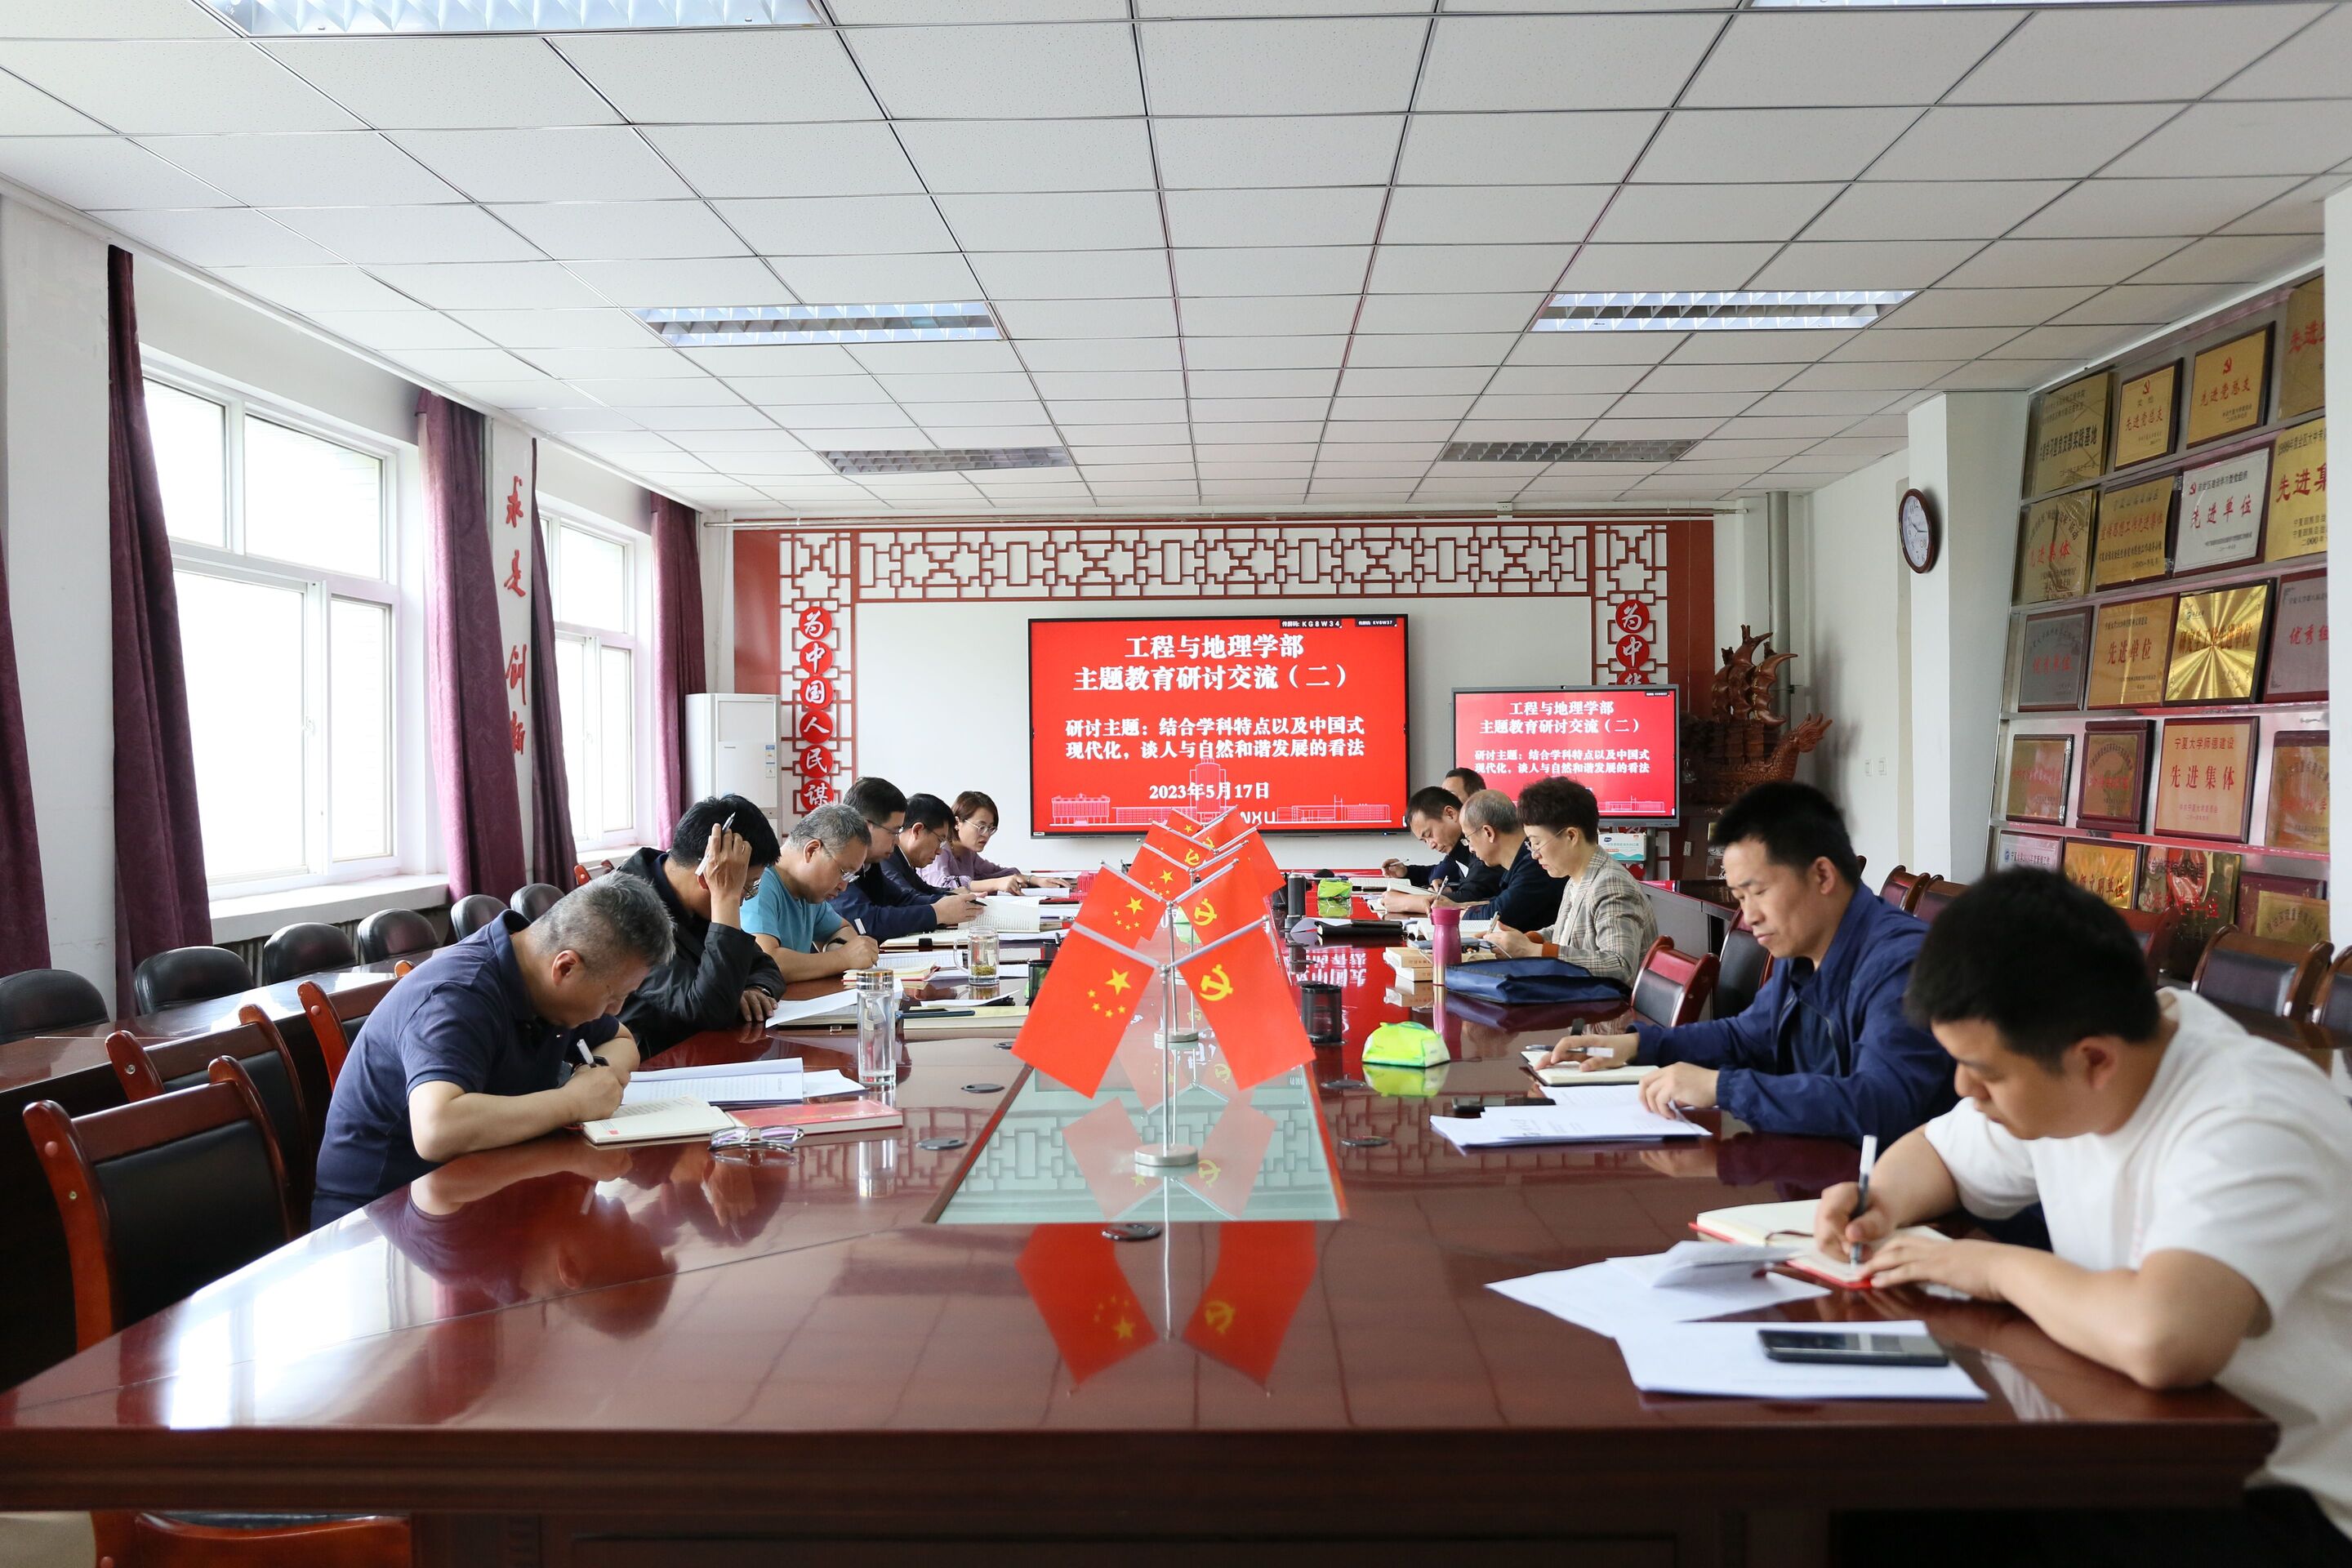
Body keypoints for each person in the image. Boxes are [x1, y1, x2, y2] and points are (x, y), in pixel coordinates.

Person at [1819, 871, 2352, 1566]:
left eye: (1983, 1072)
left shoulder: (2249, 1118)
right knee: (1881, 1498)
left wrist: (1992, 1268)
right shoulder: (2084, 1058)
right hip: (2134, 1436)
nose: (1963, 1089)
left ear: (2094, 1060)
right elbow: (1939, 1155)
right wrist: (1878, 1202)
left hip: (2282, 1496)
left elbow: (2163, 1340)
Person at [1544, 780, 1953, 1146]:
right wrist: (1637, 1046)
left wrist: (1723, 1088)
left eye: (1758, 892)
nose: (1750, 916)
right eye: (1740, 898)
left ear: (1822, 876)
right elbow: (1748, 1036)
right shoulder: (1803, 947)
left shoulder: (1902, 964)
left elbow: (1881, 1104)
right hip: (1813, 1166)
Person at [310, 876, 674, 1227]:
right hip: (379, 1220)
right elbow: (437, 1130)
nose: (615, 1009)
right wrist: (574, 1102)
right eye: (613, 996)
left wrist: (597, 1075)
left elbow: (622, 1041)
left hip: (482, 1190)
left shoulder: (546, 984)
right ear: (565, 968)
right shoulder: (458, 995)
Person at [612, 794, 789, 1059]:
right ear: (709, 874)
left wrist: (756, 991)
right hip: (647, 1063)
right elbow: (710, 1010)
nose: (743, 899)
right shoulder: (624, 912)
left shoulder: (693, 901)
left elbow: (765, 966)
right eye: (745, 887)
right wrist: (726, 896)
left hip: (699, 1052)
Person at [1486, 776, 1656, 990]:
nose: (1534, 855)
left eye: (1537, 843)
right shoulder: (1578, 876)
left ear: (1571, 836)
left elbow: (1619, 966)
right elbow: (1569, 931)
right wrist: (1529, 940)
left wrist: (1533, 951)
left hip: (1605, 1007)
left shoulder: (1611, 885)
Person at [743, 800, 883, 982]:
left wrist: (839, 950)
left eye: (850, 877)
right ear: (812, 850)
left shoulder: (807, 892)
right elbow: (766, 962)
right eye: (843, 872)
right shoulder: (759, 882)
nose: (843, 886)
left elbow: (842, 929)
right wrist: (841, 958)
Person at [831, 776, 982, 942]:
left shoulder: (869, 864)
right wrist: (937, 913)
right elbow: (865, 922)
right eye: (894, 832)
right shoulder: (836, 861)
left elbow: (901, 899)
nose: (897, 841)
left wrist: (948, 901)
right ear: (866, 827)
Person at [1434, 788, 1566, 933]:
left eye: (1468, 839)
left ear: (1488, 833)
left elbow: (1498, 916)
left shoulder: (1536, 864)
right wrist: (1459, 906)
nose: (1470, 849)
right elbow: (1499, 902)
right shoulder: (1522, 863)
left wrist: (1459, 913)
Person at [1380, 785, 1504, 915]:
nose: (1431, 845)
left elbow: (1469, 897)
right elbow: (1438, 872)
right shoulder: (1458, 850)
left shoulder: (1481, 848)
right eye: (1425, 841)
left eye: (1429, 835)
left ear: (1450, 814)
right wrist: (1407, 872)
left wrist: (1408, 902)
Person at [920, 790, 1067, 893]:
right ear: (958, 822)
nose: (986, 834)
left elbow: (995, 873)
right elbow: (940, 885)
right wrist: (995, 884)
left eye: (991, 828)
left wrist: (1034, 880)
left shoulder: (967, 852)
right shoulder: (938, 849)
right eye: (981, 827)